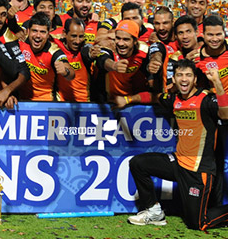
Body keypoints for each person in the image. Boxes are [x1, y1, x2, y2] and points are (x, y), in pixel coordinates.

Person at [115, 59, 228, 230]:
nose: (184, 79)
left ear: (195, 79)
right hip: (178, 162)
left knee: (198, 223)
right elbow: (153, 97)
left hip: (198, 170)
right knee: (138, 163)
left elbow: (225, 115)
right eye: (180, 75)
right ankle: (154, 212)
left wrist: (218, 84)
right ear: (173, 79)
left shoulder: (206, 99)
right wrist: (128, 99)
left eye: (188, 75)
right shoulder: (174, 99)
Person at [18, 12, 74, 101]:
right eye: (34, 31)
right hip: (21, 102)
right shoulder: (20, 44)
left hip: (46, 103)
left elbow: (71, 74)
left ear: (48, 35)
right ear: (28, 31)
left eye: (42, 32)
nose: (38, 36)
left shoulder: (54, 52)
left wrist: (65, 71)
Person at [92, 19, 149, 103]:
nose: (120, 43)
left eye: (126, 39)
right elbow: (103, 60)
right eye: (118, 38)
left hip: (132, 102)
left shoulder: (143, 52)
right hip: (107, 103)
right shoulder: (109, 47)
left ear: (135, 41)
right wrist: (114, 66)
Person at [56, 18, 95, 102]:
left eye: (81, 36)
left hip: (84, 103)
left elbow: (89, 51)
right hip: (60, 103)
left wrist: (91, 54)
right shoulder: (56, 46)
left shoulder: (85, 49)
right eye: (73, 36)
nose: (77, 41)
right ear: (64, 33)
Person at [195, 15, 228, 93]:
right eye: (210, 35)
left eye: (218, 34)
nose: (215, 39)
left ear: (224, 33)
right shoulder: (197, 58)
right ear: (203, 34)